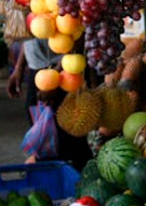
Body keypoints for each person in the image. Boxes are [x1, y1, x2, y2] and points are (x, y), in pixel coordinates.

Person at [7, 39, 92, 170]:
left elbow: (76, 41)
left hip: (62, 72)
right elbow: (28, 37)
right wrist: (19, 68)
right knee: (44, 134)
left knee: (68, 139)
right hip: (38, 71)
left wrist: (54, 79)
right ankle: (51, 176)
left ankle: (77, 177)